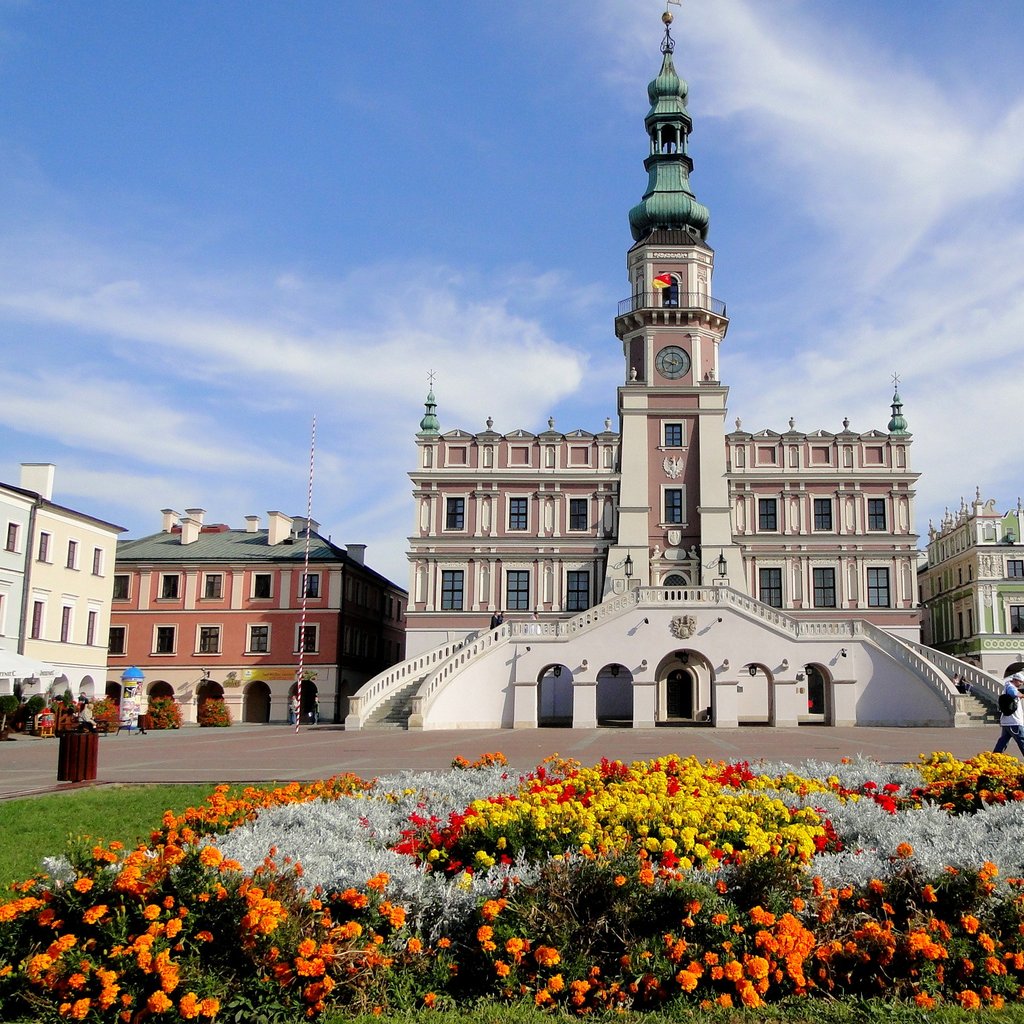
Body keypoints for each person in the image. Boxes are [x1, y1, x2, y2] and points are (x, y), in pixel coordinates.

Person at [993, 673, 1024, 756]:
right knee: (1022, 740)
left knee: (1003, 741)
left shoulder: (1007, 686)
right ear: (1015, 680)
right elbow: (1013, 693)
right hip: (1014, 721)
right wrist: (1022, 695)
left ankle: (995, 757)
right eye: (1020, 682)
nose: (1021, 684)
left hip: (1007, 721)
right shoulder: (1011, 687)